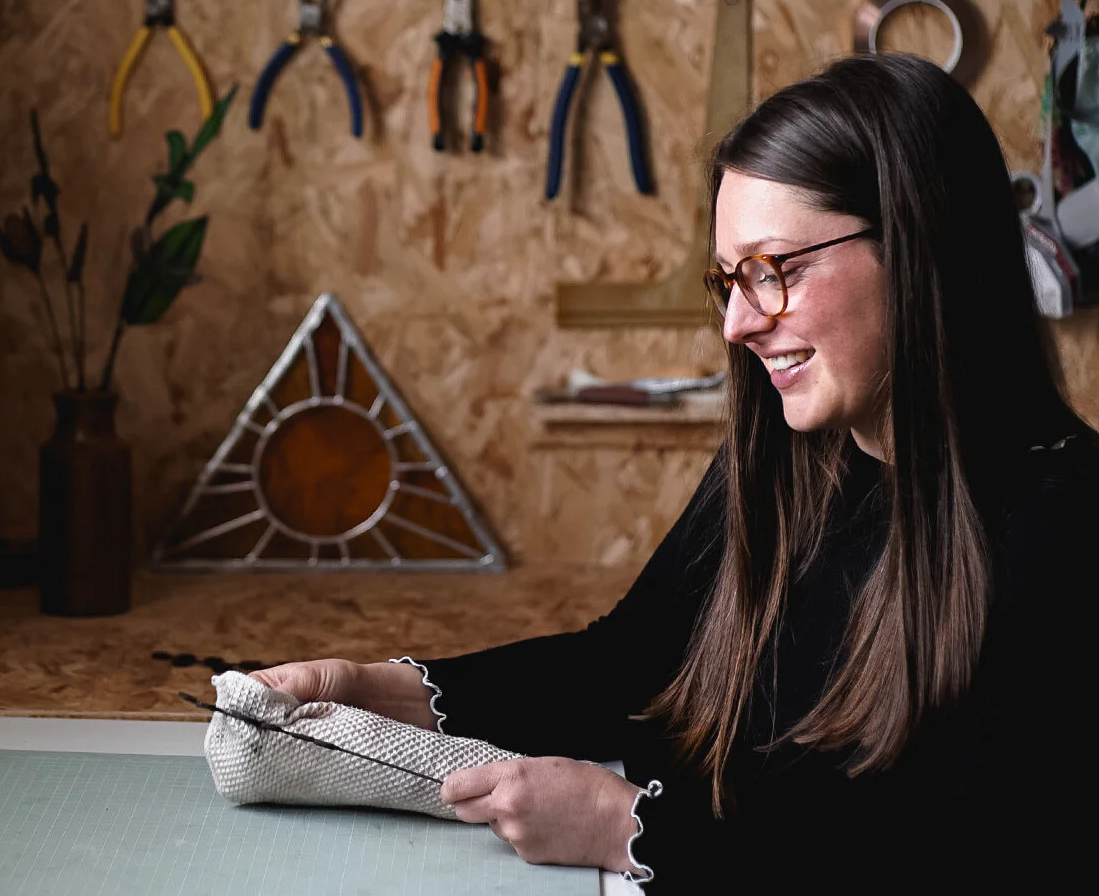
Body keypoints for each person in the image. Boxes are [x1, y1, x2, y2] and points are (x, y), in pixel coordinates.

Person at [254, 54, 1098, 888]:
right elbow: (628, 663)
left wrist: (634, 831)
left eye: (774, 271)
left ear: (920, 249)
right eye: (729, 280)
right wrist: (377, 690)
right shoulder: (788, 461)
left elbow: (976, 859)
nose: (737, 324)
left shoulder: (1066, 528)